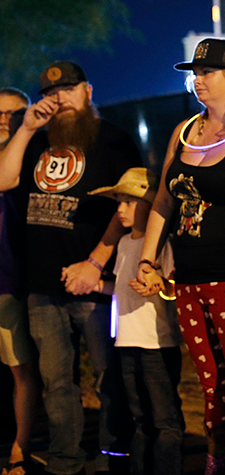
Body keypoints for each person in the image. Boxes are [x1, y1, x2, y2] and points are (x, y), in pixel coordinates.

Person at [136, 39, 225, 475]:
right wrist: (148, 260)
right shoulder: (183, 132)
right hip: (190, 281)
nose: (197, 80)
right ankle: (220, 465)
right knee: (211, 385)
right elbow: (163, 200)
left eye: (207, 72)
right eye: (194, 73)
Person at [0, 62, 139, 475]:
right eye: (51, 92)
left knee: (106, 377)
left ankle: (114, 456)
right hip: (42, 285)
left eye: (69, 89)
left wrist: (94, 263)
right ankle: (65, 460)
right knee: (56, 383)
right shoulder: (36, 141)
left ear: (88, 91)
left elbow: (129, 203)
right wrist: (24, 129)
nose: (60, 98)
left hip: (94, 282)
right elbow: (5, 181)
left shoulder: (115, 141)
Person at [90, 168, 184, 475]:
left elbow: (173, 287)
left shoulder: (161, 244)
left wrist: (160, 285)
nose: (121, 209)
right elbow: (120, 287)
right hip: (127, 342)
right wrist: (94, 285)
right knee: (139, 417)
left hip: (157, 343)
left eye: (130, 201)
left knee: (164, 418)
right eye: (119, 201)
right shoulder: (124, 244)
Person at [0, 88, 40, 475]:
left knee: (21, 369)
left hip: (8, 278)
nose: (4, 119)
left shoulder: (28, 159)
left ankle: (20, 448)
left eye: (14, 113)